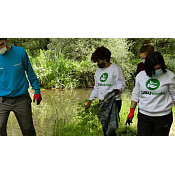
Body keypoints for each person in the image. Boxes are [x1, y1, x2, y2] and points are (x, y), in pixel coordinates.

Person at [126, 52, 175, 136]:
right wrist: (131, 111)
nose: (156, 71)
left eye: (158, 68)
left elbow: (174, 95)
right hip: (144, 116)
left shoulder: (170, 76)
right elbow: (136, 94)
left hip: (163, 116)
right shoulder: (140, 76)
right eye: (153, 69)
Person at [0, 38, 42, 136]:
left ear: (7, 41)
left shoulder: (20, 52)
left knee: (28, 129)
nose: (0, 48)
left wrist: (37, 90)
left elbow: (30, 72)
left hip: (21, 99)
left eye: (1, 44)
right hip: (2, 100)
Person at [85, 46, 126, 136]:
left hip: (114, 101)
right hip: (102, 102)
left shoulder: (116, 69)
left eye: (99, 61)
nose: (98, 63)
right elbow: (97, 88)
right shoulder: (98, 72)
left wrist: (116, 91)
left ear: (105, 59)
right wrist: (90, 100)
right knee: (104, 126)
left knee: (110, 128)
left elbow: (122, 85)